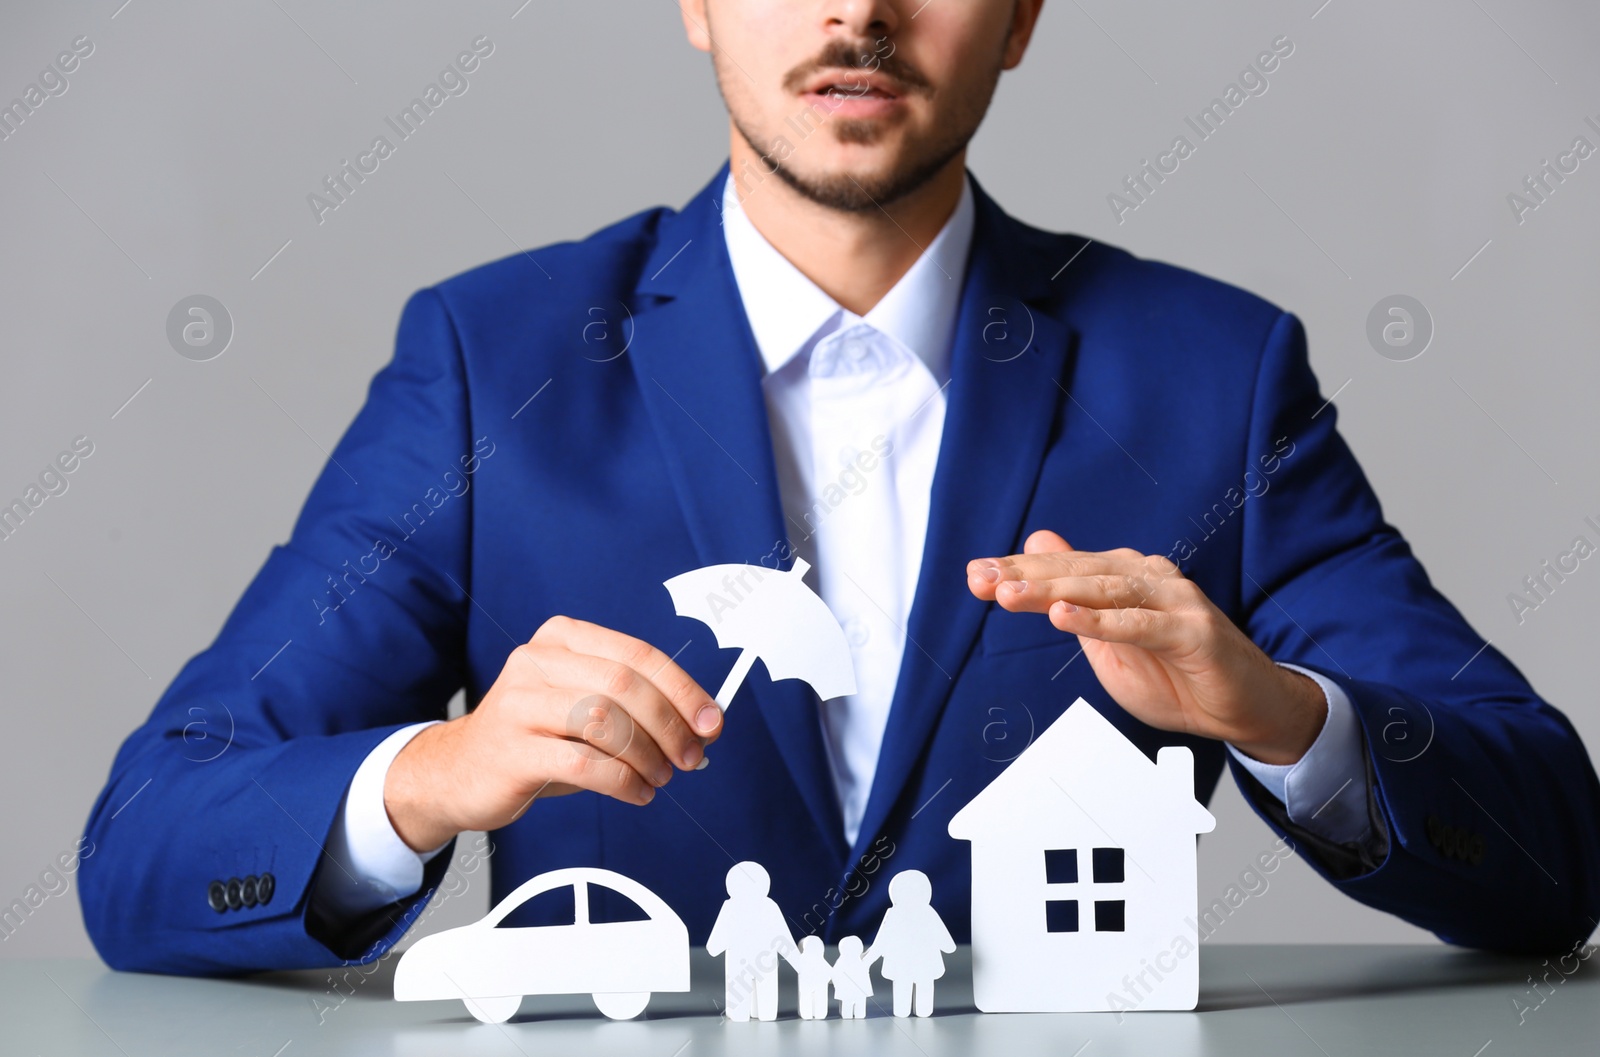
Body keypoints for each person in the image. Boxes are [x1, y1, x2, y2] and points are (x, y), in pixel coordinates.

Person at [80, 0, 1600, 977]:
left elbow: (1555, 854)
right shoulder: (495, 360)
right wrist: (434, 775)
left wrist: (1279, 712)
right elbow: (150, 836)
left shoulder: (1216, 375)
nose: (858, 11)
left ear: (1019, 17)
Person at [705, 862, 800, 1022]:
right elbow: (783, 938)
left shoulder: (734, 906)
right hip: (762, 960)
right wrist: (798, 962)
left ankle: (745, 1014)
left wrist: (714, 947)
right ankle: (759, 1013)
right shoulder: (767, 906)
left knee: (743, 990)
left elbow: (782, 936)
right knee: (760, 989)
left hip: (746, 960)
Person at [865, 871, 955, 1017]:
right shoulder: (896, 914)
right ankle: (908, 1010)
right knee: (904, 984)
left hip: (920, 962)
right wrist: (868, 960)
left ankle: (920, 1010)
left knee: (919, 984)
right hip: (907, 962)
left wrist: (868, 961)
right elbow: (882, 941)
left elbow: (881, 942)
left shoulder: (927, 913)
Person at [831, 935, 876, 1019]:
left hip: (858, 991)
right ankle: (850, 1014)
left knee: (857, 1005)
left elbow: (835, 974)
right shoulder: (843, 963)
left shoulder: (858, 961)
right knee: (849, 1005)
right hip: (851, 991)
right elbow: (835, 974)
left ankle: (855, 1014)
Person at [793, 935, 833, 1020]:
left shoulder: (818, 960)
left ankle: (815, 1013)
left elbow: (830, 973)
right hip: (811, 986)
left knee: (813, 998)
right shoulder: (804, 960)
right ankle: (810, 1013)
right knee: (809, 997)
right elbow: (831, 973)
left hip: (817, 986)